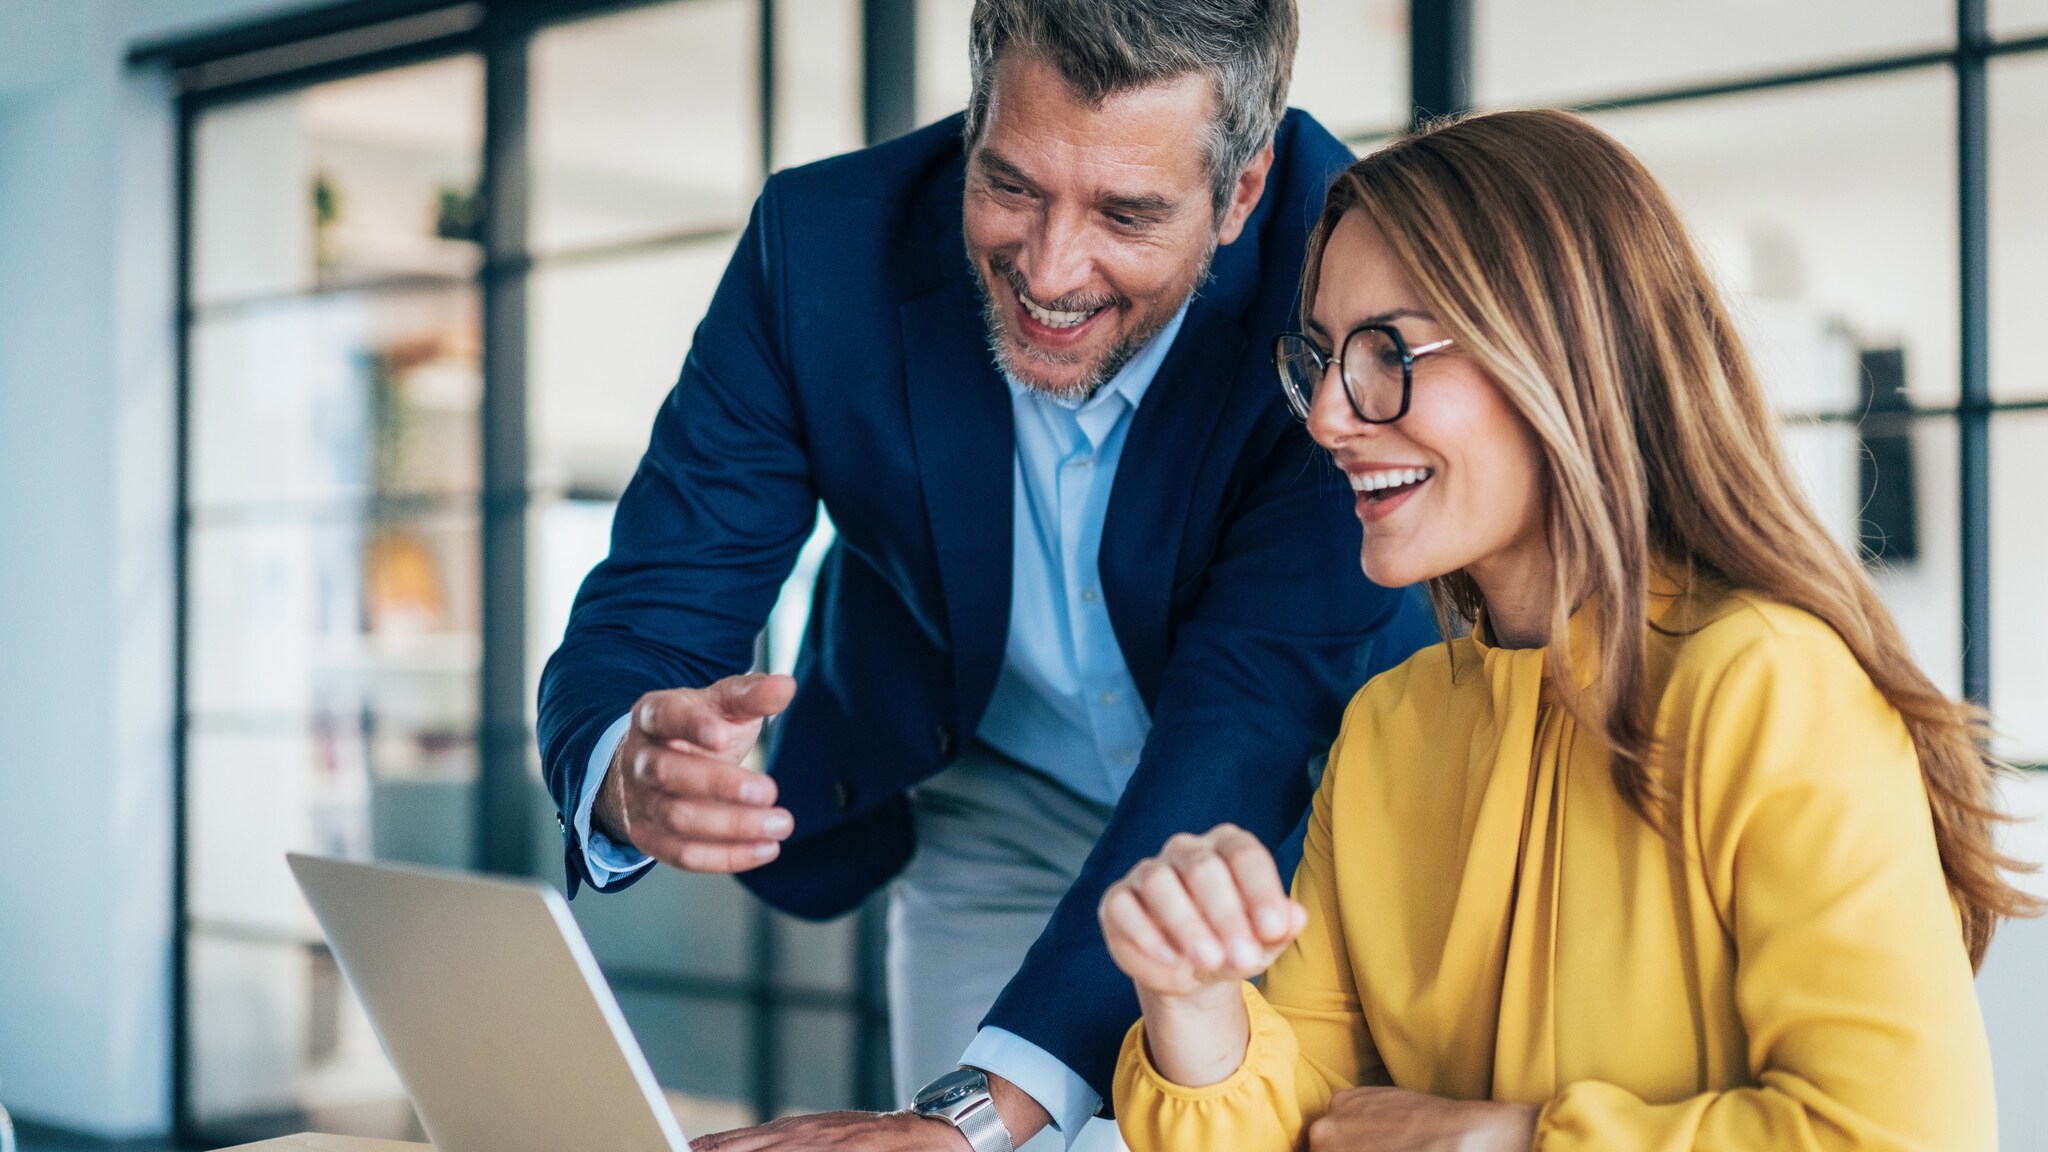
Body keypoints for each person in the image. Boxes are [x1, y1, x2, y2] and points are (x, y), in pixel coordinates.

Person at [534, 1, 1438, 1148]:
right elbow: (664, 583)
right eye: (1009, 185)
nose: (1048, 271)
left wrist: (969, 1120)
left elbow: (1250, 722)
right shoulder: (821, 246)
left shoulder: (1341, 283)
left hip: (1270, 831)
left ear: (1241, 192)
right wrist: (624, 764)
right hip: (990, 799)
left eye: (1125, 213)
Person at [1097, 108, 2040, 1152]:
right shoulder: (1389, 728)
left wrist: (1503, 1139)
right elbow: (1309, 1125)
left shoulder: (1767, 685)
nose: (1326, 416)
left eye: (1385, 352)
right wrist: (1192, 1003)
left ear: (1561, 358)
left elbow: (1902, 1135)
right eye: (1319, 359)